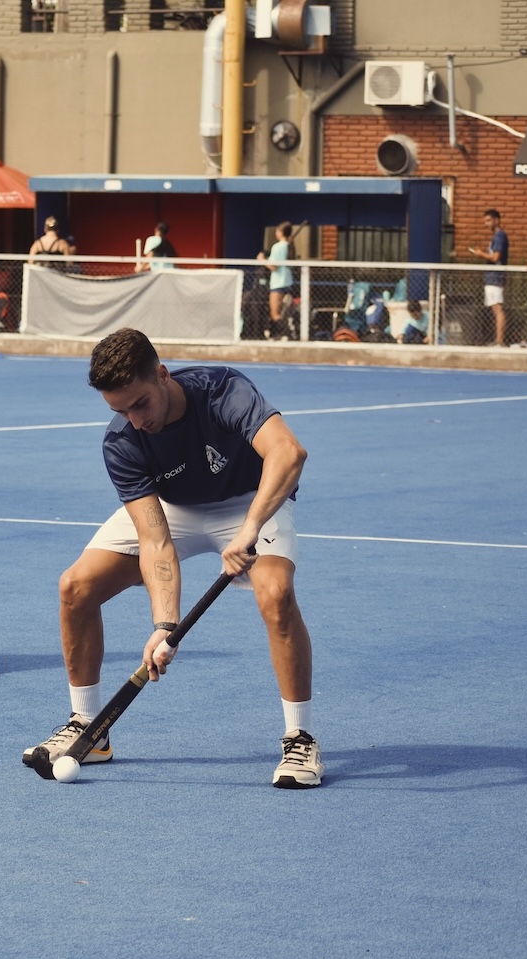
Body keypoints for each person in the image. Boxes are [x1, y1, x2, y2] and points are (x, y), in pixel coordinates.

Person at [23, 328, 320, 789]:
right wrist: (165, 626)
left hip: (249, 501)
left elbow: (289, 452)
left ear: (162, 375)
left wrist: (250, 528)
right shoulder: (122, 440)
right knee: (75, 587)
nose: (134, 420)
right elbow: (156, 541)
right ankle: (89, 728)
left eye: (139, 403)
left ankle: (299, 738)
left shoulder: (221, 390)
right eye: (119, 410)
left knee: (276, 593)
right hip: (173, 508)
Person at [468, 209, 509, 347]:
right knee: (494, 308)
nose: (486, 224)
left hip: (495, 277)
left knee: (497, 309)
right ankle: (497, 339)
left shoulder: (499, 236)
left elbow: (496, 257)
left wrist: (481, 254)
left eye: (488, 220)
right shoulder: (496, 237)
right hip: (492, 277)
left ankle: (499, 340)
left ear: (496, 220)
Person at [256, 221, 295, 340]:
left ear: (281, 232)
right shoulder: (289, 246)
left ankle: (287, 333)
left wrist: (262, 260)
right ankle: (280, 333)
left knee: (275, 313)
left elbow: (273, 266)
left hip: (278, 283)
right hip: (288, 282)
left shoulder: (278, 246)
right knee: (283, 312)